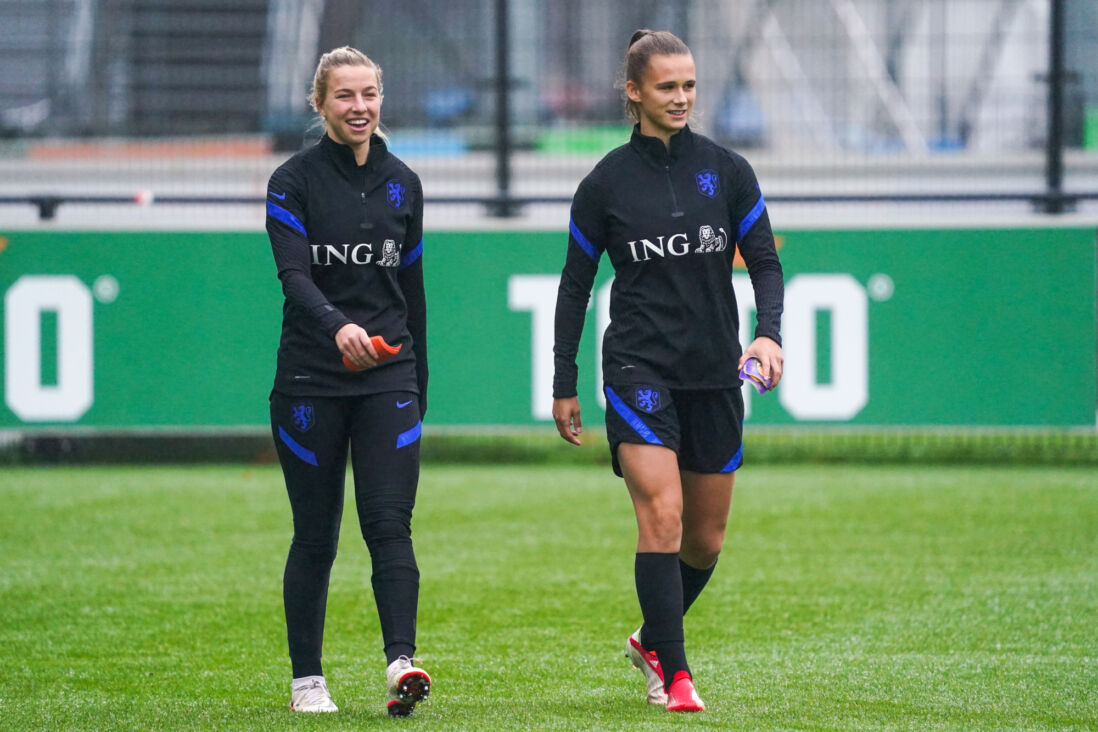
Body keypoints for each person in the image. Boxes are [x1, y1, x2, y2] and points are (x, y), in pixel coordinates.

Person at [552, 29, 784, 712]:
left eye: (688, 85)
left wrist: (768, 336)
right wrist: (564, 382)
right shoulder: (605, 183)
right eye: (666, 87)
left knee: (706, 543)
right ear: (634, 92)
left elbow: (765, 262)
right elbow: (574, 286)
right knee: (664, 517)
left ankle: (651, 638)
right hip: (637, 367)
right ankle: (677, 677)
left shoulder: (729, 170)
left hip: (714, 371)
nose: (681, 97)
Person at [264, 46, 430, 717]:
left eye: (370, 94)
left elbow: (412, 291)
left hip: (389, 380)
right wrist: (336, 327)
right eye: (345, 96)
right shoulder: (291, 182)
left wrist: (421, 386)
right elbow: (294, 277)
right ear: (320, 103)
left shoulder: (405, 183)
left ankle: (401, 664)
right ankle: (308, 679)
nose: (360, 107)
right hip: (309, 380)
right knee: (316, 534)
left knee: (390, 524)